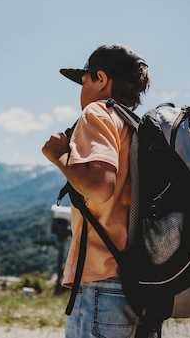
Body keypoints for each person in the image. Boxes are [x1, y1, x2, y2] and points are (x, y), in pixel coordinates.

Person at [42, 44, 151, 338]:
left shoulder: (98, 113)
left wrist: (59, 156)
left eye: (85, 79)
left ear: (101, 79)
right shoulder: (134, 126)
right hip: (133, 283)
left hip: (101, 284)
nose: (82, 88)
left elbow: (101, 188)